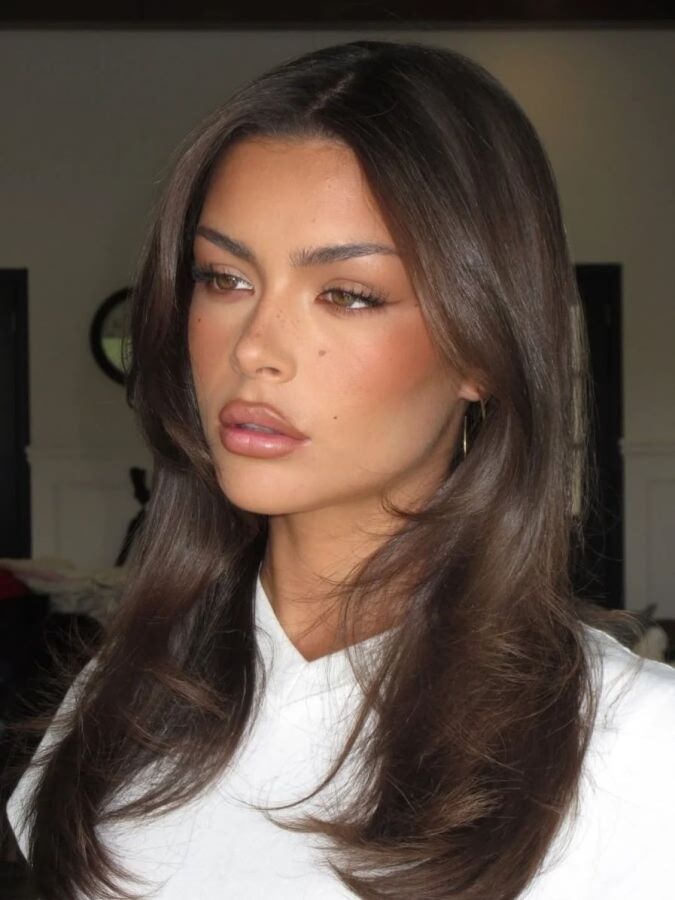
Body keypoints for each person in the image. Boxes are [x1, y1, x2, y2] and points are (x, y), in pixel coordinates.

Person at [4, 39, 675, 900]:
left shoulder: (634, 751)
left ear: (481, 348)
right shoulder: (118, 698)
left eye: (346, 294)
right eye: (224, 278)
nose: (254, 348)